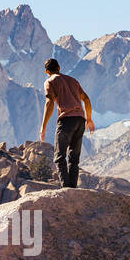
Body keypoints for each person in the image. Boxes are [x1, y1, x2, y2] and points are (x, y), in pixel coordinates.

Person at [39, 58, 93, 188]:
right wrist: (89, 119)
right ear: (59, 67)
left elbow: (49, 103)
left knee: (59, 157)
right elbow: (86, 99)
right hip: (80, 120)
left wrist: (43, 126)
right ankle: (72, 188)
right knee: (74, 159)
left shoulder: (49, 81)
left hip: (66, 120)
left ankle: (66, 189)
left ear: (47, 71)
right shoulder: (73, 80)